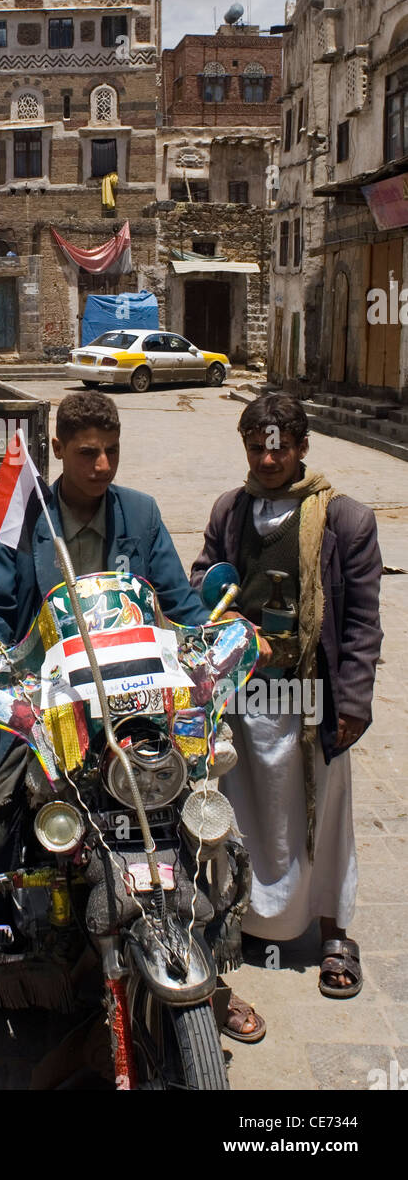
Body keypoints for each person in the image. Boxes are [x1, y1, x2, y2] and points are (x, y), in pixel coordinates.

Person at [0, 392, 262, 1043]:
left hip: (131, 700)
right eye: (87, 452)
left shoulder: (138, 512)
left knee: (186, 807)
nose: (102, 465)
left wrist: (215, 640)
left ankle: (205, 965)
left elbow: (179, 600)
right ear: (57, 450)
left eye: (112, 451)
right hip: (50, 702)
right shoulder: (24, 513)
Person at [190, 393, 382, 1000]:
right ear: (245, 446)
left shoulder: (344, 519)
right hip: (246, 698)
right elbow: (203, 584)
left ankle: (333, 932)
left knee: (323, 816)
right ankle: (253, 919)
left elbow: (361, 623)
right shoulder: (230, 511)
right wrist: (228, 626)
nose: (268, 460)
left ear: (301, 447)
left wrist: (352, 700)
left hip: (313, 698)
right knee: (246, 811)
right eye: (257, 447)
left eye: (280, 448)